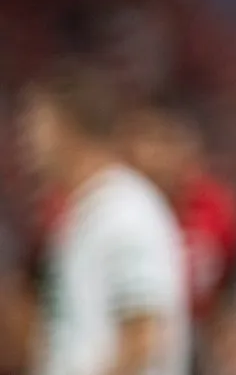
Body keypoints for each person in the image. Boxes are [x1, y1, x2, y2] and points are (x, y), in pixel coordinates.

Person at [19, 60, 190, 375]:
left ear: (66, 128)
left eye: (37, 126)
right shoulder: (91, 212)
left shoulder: (125, 212)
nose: (28, 143)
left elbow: (144, 337)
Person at [116, 101, 236, 373]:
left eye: (167, 142)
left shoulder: (216, 210)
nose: (157, 156)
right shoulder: (113, 211)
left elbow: (230, 291)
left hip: (195, 344)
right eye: (149, 141)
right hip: (124, 339)